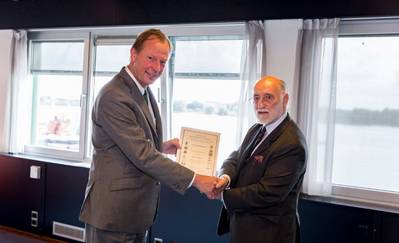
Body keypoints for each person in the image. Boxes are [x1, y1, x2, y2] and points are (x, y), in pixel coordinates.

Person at [79, 29, 218, 243]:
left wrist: (161, 146)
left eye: (163, 62)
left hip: (135, 213)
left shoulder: (141, 89)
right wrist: (196, 179)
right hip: (113, 215)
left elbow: (127, 146)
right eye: (151, 58)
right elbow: (141, 154)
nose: (156, 68)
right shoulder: (114, 95)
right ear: (133, 54)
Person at [212, 76, 308, 243]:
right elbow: (236, 157)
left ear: (285, 99)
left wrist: (223, 195)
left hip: (269, 234)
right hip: (243, 229)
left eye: (268, 97)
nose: (260, 104)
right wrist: (224, 178)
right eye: (256, 98)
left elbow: (267, 193)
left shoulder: (292, 143)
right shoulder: (257, 129)